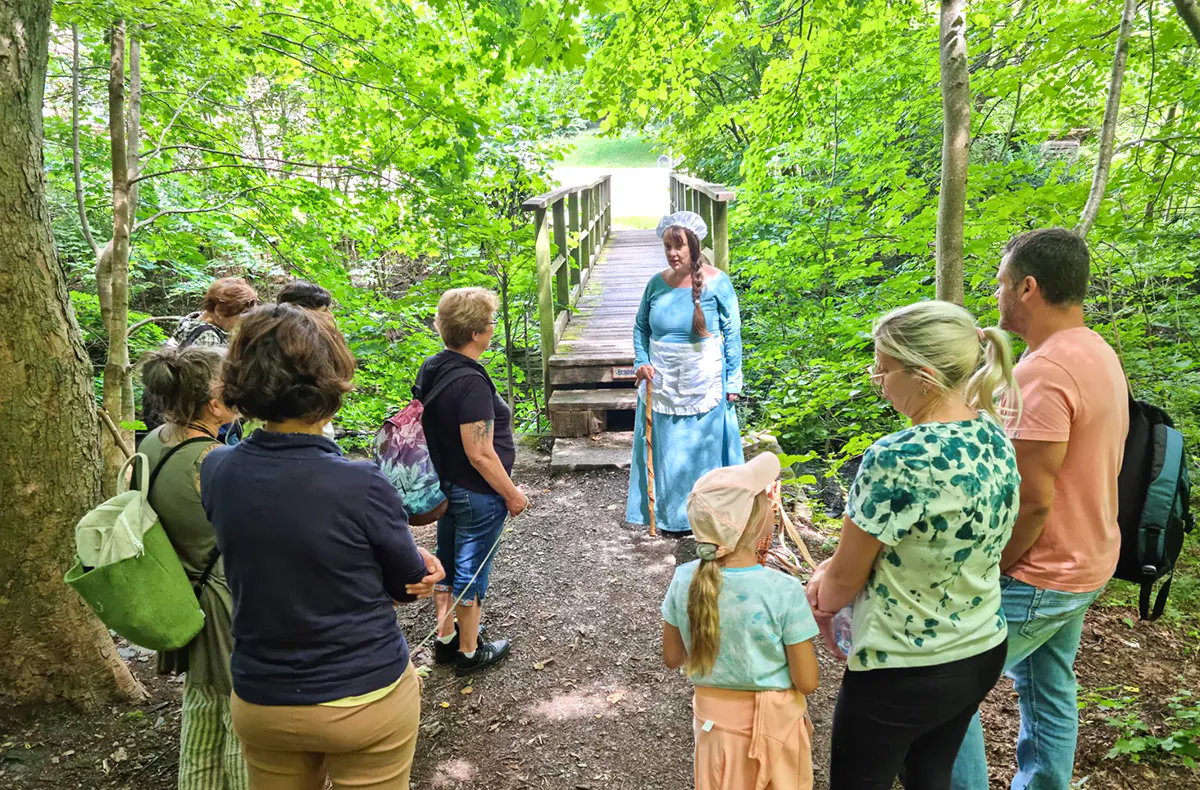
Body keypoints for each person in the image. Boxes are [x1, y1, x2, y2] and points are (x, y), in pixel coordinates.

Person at [201, 304, 443, 790]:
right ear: (331, 383)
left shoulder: (216, 469)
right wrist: (425, 570)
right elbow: (403, 581)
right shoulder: (360, 482)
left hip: (260, 697)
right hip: (363, 695)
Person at [806, 300, 1023, 790]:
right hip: (981, 648)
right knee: (930, 774)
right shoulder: (992, 432)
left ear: (923, 376)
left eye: (882, 370)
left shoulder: (897, 457)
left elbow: (842, 581)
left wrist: (819, 589)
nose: (876, 379)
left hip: (901, 669)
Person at [952, 229, 1129, 790]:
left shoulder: (1044, 372)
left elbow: (1031, 502)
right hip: (1089, 556)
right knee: (1048, 682)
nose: (996, 293)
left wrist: (991, 568)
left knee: (946, 692)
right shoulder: (1095, 349)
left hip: (1041, 569)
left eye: (1002, 282)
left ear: (1028, 287)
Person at [661, 452, 820, 790]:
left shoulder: (683, 580)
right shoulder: (784, 590)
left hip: (713, 730)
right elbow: (806, 681)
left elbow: (673, 658)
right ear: (755, 522)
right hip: (778, 729)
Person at [138, 346, 247, 790]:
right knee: (240, 713)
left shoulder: (153, 442)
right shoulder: (215, 460)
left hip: (185, 592)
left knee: (202, 705)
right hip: (224, 599)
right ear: (214, 403)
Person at [415, 287, 527, 675]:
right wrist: (512, 494)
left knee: (446, 563)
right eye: (491, 322)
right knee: (471, 571)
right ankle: (468, 651)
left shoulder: (432, 367)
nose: (493, 328)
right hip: (477, 493)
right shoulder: (472, 383)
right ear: (478, 333)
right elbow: (479, 453)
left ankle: (445, 638)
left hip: (444, 486)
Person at [628, 210, 744, 535]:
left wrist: (734, 380)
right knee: (667, 452)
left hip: (705, 381)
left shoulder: (718, 283)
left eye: (678, 246)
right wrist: (641, 360)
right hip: (661, 380)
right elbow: (640, 328)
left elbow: (732, 333)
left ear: (693, 245)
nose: (672, 253)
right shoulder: (656, 284)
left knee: (704, 450)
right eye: (667, 246)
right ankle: (671, 517)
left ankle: (707, 517)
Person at [172, 277, 260, 347]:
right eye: (241, 314)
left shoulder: (190, 321)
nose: (242, 321)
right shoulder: (209, 337)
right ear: (220, 311)